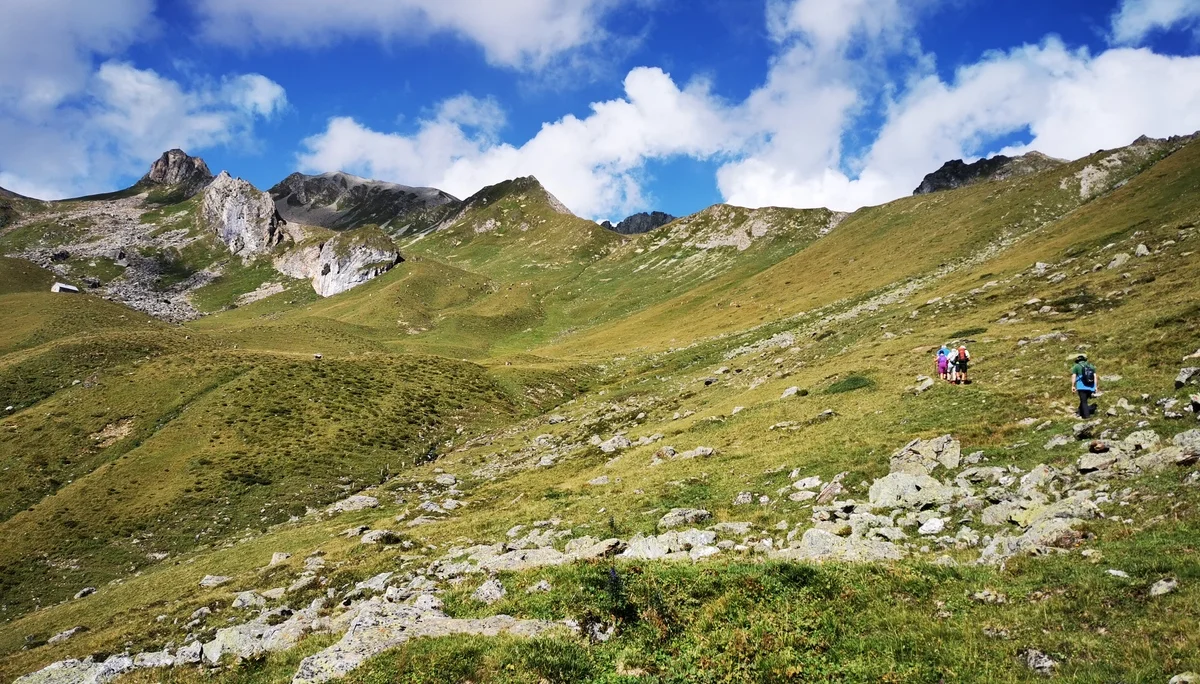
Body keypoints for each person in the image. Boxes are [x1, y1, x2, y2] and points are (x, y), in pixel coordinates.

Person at [1071, 353, 1098, 418]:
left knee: (1084, 402)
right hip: (1091, 386)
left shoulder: (1076, 366)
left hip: (1081, 386)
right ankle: (1079, 412)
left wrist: (1073, 386)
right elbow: (1095, 376)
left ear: (1078, 361)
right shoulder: (1091, 366)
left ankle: (1087, 416)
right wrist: (1095, 386)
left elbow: (1074, 376)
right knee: (1084, 400)